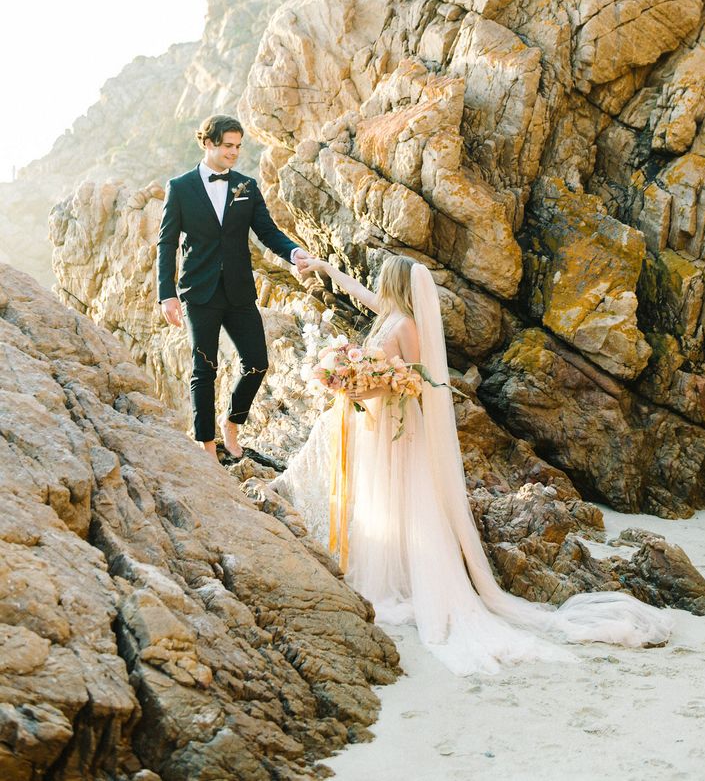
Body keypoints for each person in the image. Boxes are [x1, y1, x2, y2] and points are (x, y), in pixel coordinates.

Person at [274, 252, 673, 675]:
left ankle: (413, 577)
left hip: (399, 425)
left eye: (383, 278)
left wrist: (367, 391)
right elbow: (362, 301)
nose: (378, 282)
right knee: (382, 497)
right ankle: (390, 566)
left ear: (394, 284)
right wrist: (325, 270)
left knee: (405, 497)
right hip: (379, 425)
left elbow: (413, 381)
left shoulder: (407, 325)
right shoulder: (389, 314)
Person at [157, 114, 311, 460]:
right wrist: (166, 294)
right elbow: (166, 243)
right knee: (204, 368)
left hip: (240, 290)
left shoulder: (247, 186)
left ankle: (232, 424)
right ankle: (207, 445)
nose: (234, 152)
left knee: (257, 361)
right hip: (199, 291)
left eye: (238, 146)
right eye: (228, 146)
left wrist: (294, 252)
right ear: (208, 144)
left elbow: (267, 232)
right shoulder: (180, 188)